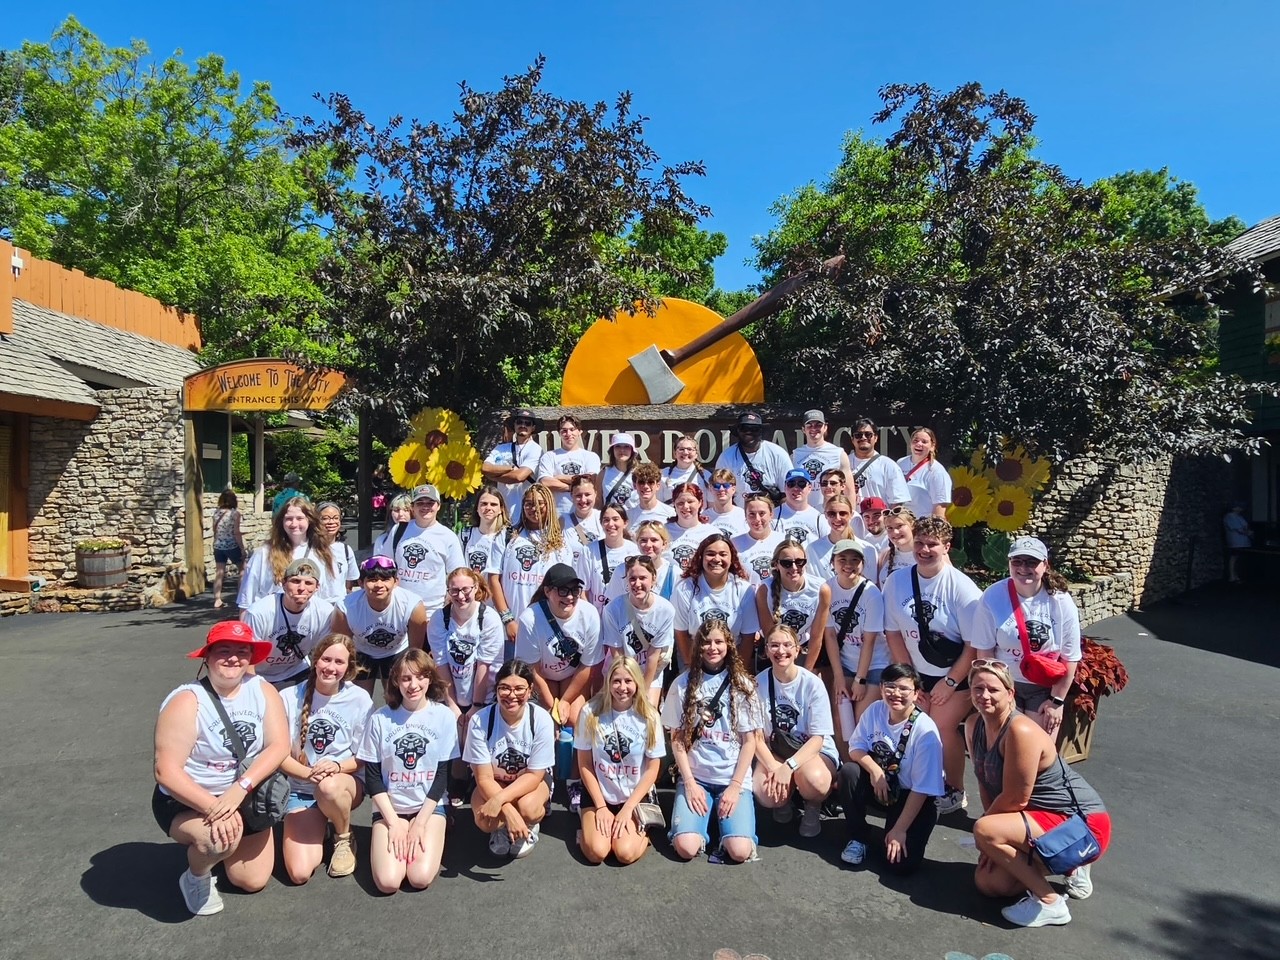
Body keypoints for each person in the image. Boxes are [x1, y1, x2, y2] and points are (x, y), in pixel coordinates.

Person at [152, 621, 289, 915]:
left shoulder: (262, 690)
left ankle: (225, 845)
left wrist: (239, 791)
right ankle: (196, 875)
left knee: (251, 880)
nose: (233, 658)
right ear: (208, 656)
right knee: (215, 841)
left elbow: (279, 746)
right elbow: (166, 771)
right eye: (223, 650)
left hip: (244, 794)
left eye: (242, 651)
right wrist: (215, 808)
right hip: (189, 800)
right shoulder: (187, 701)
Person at [966, 660, 1111, 927]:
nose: (984, 695)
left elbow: (1015, 799)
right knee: (988, 884)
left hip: (1080, 822)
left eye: (993, 690)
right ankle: (1071, 865)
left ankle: (1051, 902)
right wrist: (989, 840)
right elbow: (985, 782)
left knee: (986, 830)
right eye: (977, 688)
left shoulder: (1020, 730)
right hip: (1038, 818)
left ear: (1010, 694)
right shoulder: (974, 725)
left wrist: (987, 834)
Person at [883, 516, 983, 816]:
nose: (925, 550)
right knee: (912, 722)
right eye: (920, 543)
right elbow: (894, 632)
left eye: (933, 545)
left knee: (940, 725)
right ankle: (920, 781)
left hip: (956, 673)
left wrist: (950, 682)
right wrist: (911, 682)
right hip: (917, 671)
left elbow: (974, 645)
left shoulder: (962, 589)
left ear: (947, 547)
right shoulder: (897, 581)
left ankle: (955, 789)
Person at [357, 649, 459, 893]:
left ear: (430, 678)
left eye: (420, 677)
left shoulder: (443, 716)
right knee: (388, 882)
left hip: (429, 808)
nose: (413, 685)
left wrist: (419, 824)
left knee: (419, 877)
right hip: (391, 809)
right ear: (395, 681)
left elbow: (442, 776)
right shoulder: (381, 718)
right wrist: (393, 822)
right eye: (405, 678)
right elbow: (372, 778)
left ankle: (436, 828)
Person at [662, 617, 762, 863]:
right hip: (697, 778)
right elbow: (677, 740)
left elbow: (750, 741)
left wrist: (735, 786)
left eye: (719, 642)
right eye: (706, 642)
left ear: (729, 644)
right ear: (698, 646)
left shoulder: (743, 685)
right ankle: (697, 826)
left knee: (739, 851)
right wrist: (690, 783)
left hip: (731, 778)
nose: (712, 648)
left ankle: (727, 827)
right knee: (685, 848)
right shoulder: (683, 684)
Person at [279, 634, 372, 882]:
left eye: (339, 662)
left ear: (349, 668)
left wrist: (336, 766)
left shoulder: (359, 699)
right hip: (300, 787)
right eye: (326, 659)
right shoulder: (288, 697)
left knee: (328, 787)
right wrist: (309, 773)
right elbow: (278, 755)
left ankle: (343, 838)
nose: (331, 667)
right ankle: (321, 822)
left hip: (343, 784)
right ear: (314, 659)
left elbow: (363, 756)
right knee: (299, 873)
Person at [837, 662, 944, 875]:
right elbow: (855, 748)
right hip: (882, 785)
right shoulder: (876, 709)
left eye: (904, 688)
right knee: (849, 772)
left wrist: (900, 829)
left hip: (911, 795)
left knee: (900, 867)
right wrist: (875, 771)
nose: (896, 693)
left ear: (916, 694)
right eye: (890, 686)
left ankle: (895, 830)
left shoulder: (925, 732)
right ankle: (858, 836)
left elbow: (922, 788)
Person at [514, 562, 604, 810]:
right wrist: (552, 704)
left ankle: (575, 778)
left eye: (574, 590)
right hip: (542, 675)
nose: (569, 597)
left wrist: (565, 702)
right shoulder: (531, 617)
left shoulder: (589, 614)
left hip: (575, 675)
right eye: (562, 591)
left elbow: (588, 666)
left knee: (577, 719)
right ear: (548, 592)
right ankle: (545, 775)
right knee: (546, 722)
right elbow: (531, 669)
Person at [971, 537, 1082, 736]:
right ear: (1009, 563)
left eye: (1031, 562)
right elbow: (985, 652)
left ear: (1045, 565)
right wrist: (992, 691)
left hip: (1044, 688)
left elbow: (1070, 656)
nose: (1024, 568)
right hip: (1005, 685)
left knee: (1040, 753)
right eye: (1017, 561)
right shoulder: (993, 596)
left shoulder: (1060, 601)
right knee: (1003, 748)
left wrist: (1056, 701)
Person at [575, 656, 666, 864]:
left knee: (624, 853)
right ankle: (586, 828)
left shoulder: (649, 716)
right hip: (600, 793)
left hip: (634, 796)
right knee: (596, 852)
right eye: (616, 681)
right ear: (608, 682)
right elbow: (585, 764)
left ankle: (643, 832)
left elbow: (653, 768)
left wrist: (627, 809)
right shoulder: (590, 712)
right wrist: (600, 807)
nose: (622, 687)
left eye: (628, 681)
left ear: (637, 683)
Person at [752, 625, 840, 838]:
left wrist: (789, 767)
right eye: (774, 645)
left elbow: (818, 738)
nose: (780, 651)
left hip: (811, 750)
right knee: (765, 793)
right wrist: (774, 767)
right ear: (766, 650)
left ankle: (812, 805)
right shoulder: (757, 684)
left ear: (798, 650)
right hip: (776, 748)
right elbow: (754, 736)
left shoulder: (812, 684)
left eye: (787, 645)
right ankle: (785, 800)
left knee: (815, 782)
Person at [463, 659, 555, 859]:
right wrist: (508, 811)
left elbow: (534, 775)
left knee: (529, 808)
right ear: (496, 690)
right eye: (504, 688)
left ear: (530, 691)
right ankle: (505, 826)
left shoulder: (541, 719)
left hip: (531, 781)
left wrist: (499, 801)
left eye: (519, 689)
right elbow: (484, 779)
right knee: (484, 821)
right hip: (494, 780)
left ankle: (529, 824)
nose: (512, 695)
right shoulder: (480, 721)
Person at [486, 483, 575, 653]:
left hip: (546, 628)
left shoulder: (560, 543)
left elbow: (565, 587)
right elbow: (494, 580)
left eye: (539, 503)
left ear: (549, 504)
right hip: (512, 629)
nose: (533, 508)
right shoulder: (507, 536)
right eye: (528, 503)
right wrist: (508, 620)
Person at [330, 556, 428, 699]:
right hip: (361, 652)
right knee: (358, 699)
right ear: (361, 583)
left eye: (385, 579)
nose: (379, 585)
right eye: (372, 580)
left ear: (396, 582)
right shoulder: (345, 608)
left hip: (397, 651)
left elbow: (415, 651)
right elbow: (341, 648)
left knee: (396, 699)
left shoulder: (413, 605)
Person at [239, 558, 336, 689]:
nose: (302, 588)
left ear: (317, 587)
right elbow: (246, 655)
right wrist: (252, 687)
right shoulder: (259, 612)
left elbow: (325, 652)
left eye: (308, 583)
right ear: (283, 583)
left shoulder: (325, 612)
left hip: (297, 671)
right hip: (260, 675)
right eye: (295, 581)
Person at [822, 541, 888, 725]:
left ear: (862, 564)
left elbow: (869, 641)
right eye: (842, 559)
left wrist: (860, 679)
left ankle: (864, 754)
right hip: (845, 662)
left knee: (862, 718)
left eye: (854, 560)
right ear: (833, 563)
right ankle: (845, 755)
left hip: (874, 663)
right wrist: (839, 678)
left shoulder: (871, 593)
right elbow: (830, 636)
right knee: (841, 718)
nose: (848, 565)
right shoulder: (827, 589)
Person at [427, 567, 505, 717]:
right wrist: (452, 704)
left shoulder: (489, 618)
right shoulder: (439, 619)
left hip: (485, 696)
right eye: (454, 590)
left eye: (466, 590)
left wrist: (476, 706)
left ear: (475, 588)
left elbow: (484, 665)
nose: (461, 596)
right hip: (451, 692)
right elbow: (441, 663)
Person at [237, 496, 339, 608]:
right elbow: (246, 600)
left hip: (311, 622)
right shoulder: (264, 553)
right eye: (289, 519)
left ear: (309, 520)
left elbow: (333, 598)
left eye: (300, 518)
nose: (294, 524)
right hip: (271, 620)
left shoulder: (323, 553)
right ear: (282, 521)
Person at [600, 555, 677, 704]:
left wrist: (642, 691)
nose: (637, 584)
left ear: (653, 579)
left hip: (651, 671)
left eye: (643, 578)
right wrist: (627, 684)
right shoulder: (612, 609)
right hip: (620, 670)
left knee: (647, 711)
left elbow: (653, 655)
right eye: (632, 579)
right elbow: (617, 654)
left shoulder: (666, 610)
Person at [747, 539, 830, 674]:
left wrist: (806, 673)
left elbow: (816, 636)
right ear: (776, 565)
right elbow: (770, 636)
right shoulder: (765, 590)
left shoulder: (821, 589)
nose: (794, 568)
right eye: (786, 563)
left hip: (803, 649)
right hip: (772, 651)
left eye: (799, 562)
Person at [672, 533, 753, 669]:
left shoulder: (744, 589)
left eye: (723, 554)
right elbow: (681, 633)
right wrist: (691, 668)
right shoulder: (685, 588)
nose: (717, 559)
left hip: (733, 660)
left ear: (732, 558)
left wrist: (738, 671)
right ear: (701, 557)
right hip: (695, 658)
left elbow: (747, 637)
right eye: (710, 554)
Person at [388, 484, 465, 617]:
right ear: (413, 507)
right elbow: (385, 565)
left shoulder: (448, 537)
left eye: (430, 503)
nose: (425, 507)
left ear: (438, 506)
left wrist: (448, 604)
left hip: (432, 612)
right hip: (399, 608)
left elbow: (457, 575)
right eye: (420, 503)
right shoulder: (398, 530)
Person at [715, 411, 791, 507]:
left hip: (772, 517)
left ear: (761, 431)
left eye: (754, 429)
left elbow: (787, 492)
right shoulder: (726, 457)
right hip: (740, 517)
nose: (749, 432)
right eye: (744, 428)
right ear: (738, 431)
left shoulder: (778, 454)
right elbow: (719, 491)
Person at [574, 504, 639, 611]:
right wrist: (591, 616)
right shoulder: (589, 551)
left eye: (615, 519)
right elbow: (582, 590)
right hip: (598, 617)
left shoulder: (634, 551)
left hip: (625, 617)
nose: (610, 524)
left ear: (625, 523)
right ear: (601, 523)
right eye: (606, 520)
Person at [482, 408, 544, 519]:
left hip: (525, 512)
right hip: (501, 511)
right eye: (519, 422)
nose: (523, 425)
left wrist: (493, 475)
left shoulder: (535, 449)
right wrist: (510, 468)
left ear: (533, 428)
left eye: (527, 423)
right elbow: (485, 467)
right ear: (514, 425)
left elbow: (519, 476)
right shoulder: (500, 448)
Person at [536, 414, 602, 518]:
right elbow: (545, 482)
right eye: (564, 430)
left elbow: (589, 480)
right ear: (559, 433)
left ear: (579, 431)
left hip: (584, 515)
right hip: (557, 515)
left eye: (572, 429)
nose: (568, 434)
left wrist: (559, 477)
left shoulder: (591, 456)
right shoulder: (549, 456)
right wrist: (572, 487)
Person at [792, 410, 854, 509]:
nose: (814, 428)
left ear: (825, 427)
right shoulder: (795, 455)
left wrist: (850, 514)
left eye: (818, 425)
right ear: (803, 429)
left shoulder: (838, 453)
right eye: (809, 425)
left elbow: (849, 490)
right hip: (804, 512)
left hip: (831, 514)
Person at [807, 495, 877, 582]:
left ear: (851, 515)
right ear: (825, 515)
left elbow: (870, 586)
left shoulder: (868, 549)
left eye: (843, 513)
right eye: (831, 514)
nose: (837, 518)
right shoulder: (813, 549)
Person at [606, 520, 676, 604]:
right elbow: (613, 604)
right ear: (637, 543)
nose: (648, 545)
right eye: (643, 540)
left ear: (664, 544)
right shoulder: (622, 570)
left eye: (654, 540)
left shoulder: (674, 574)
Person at [849, 419, 910, 507]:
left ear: (876, 438)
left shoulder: (889, 466)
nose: (863, 438)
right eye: (858, 435)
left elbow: (897, 502)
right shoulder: (843, 463)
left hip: (880, 519)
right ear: (852, 439)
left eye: (868, 434)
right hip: (851, 519)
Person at [732, 491, 787, 586]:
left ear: (771, 514)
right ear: (745, 516)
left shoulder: (784, 541)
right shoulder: (734, 543)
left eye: (762, 513)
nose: (757, 519)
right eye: (752, 514)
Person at [896, 428, 952, 519]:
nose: (919, 444)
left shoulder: (937, 472)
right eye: (916, 440)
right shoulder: (900, 463)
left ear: (932, 446)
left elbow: (940, 509)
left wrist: (932, 531)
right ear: (910, 443)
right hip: (901, 526)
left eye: (924, 442)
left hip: (921, 528)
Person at [459, 485, 513, 576]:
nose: (488, 508)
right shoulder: (465, 535)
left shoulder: (508, 537)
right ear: (477, 508)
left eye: (493, 504)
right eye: (484, 504)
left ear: (501, 509)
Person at [664, 483, 719, 570]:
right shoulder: (663, 531)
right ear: (674, 504)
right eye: (680, 503)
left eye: (690, 502)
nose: (685, 506)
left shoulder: (712, 533)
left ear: (700, 503)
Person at [210, 489, 245, 610]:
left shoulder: (216, 513)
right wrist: (242, 548)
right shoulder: (235, 514)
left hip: (218, 546)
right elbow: (236, 532)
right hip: (232, 545)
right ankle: (241, 598)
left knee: (219, 572)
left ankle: (217, 599)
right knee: (242, 569)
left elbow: (214, 530)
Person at [316, 501, 359, 598]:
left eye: (336, 518)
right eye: (325, 518)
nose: (331, 522)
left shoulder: (346, 550)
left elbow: (349, 582)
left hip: (339, 606)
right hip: (315, 606)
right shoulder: (309, 549)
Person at [777, 469, 829, 546]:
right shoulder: (773, 516)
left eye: (801, 484)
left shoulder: (819, 519)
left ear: (809, 488)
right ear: (785, 487)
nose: (796, 488)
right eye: (791, 484)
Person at [563, 474, 605, 568]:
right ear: (571, 496)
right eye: (578, 495)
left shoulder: (603, 518)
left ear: (595, 494)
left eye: (587, 494)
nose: (583, 500)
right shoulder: (562, 521)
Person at [661, 433, 712, 503]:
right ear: (675, 453)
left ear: (696, 454)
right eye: (681, 449)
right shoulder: (663, 475)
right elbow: (658, 503)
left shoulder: (706, 476)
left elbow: (711, 506)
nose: (685, 452)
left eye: (689, 449)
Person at [877, 505, 918, 587]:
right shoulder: (885, 555)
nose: (895, 532)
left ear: (912, 525)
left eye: (899, 526)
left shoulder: (927, 553)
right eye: (890, 528)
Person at [627, 462, 676, 530]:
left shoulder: (671, 513)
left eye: (650, 482)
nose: (646, 486)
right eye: (641, 482)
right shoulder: (628, 516)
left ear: (658, 486)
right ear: (635, 486)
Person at [599, 432, 641, 510]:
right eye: (617, 446)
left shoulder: (640, 474)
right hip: (611, 520)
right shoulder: (603, 473)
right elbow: (598, 503)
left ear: (632, 450)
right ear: (612, 450)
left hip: (634, 519)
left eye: (626, 447)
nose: (622, 450)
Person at [705, 469, 748, 538]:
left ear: (733, 489)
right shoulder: (703, 517)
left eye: (726, 485)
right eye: (716, 486)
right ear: (710, 489)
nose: (721, 489)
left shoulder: (744, 516)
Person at [1224, 503, 1253, 582]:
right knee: (1234, 557)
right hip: (1236, 541)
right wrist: (1248, 533)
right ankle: (1232, 575)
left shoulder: (1239, 517)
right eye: (1238, 507)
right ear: (1234, 508)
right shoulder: (1230, 516)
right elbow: (1238, 529)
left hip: (1243, 541)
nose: (1241, 508)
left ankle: (1236, 574)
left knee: (1238, 558)